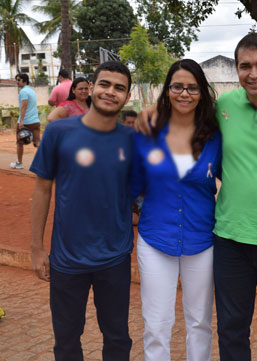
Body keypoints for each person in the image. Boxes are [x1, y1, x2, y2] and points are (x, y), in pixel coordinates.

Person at [137, 33, 257, 361]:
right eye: (245, 66)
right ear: (237, 70)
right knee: (232, 329)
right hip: (230, 241)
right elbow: (186, 108)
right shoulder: (225, 107)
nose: (253, 73)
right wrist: (154, 107)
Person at [29, 61, 134, 361]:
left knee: (117, 339)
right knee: (66, 341)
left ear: (127, 96)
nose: (110, 92)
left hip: (114, 258)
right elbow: (42, 189)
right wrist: (37, 249)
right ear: (90, 89)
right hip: (66, 259)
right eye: (104, 84)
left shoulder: (132, 139)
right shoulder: (58, 132)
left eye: (119, 87)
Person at [131, 59, 221, 361]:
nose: (185, 93)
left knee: (200, 322)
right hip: (156, 239)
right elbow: (130, 185)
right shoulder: (147, 133)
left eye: (192, 87)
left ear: (202, 92)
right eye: (177, 86)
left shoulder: (215, 137)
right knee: (156, 324)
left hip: (202, 240)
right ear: (167, 90)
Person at [11, 73, 40, 169]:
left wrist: (21, 121)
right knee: (37, 143)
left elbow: (24, 106)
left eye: (19, 80)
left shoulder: (23, 92)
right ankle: (47, 162)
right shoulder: (32, 91)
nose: (17, 82)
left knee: (20, 143)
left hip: (26, 122)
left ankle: (19, 163)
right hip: (35, 121)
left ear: (25, 81)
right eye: (17, 80)